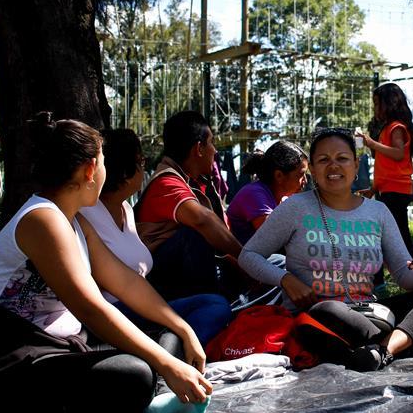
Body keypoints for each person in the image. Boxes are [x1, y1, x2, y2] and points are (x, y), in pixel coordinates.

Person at [0, 114, 214, 413]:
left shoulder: (74, 220)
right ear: (88, 170)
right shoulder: (43, 219)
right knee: (138, 373)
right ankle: (138, 399)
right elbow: (90, 307)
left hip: (62, 344)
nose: (104, 171)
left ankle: (139, 395)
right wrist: (166, 364)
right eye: (102, 162)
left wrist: (183, 328)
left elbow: (125, 282)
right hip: (13, 354)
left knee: (166, 339)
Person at [239, 128, 413, 372]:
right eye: (324, 160)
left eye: (342, 158)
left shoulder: (378, 212)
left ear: (356, 165)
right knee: (328, 309)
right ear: (312, 169)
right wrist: (285, 279)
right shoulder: (295, 208)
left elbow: (407, 280)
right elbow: (248, 256)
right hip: (321, 317)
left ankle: (385, 349)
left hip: (370, 312)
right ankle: (411, 341)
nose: (333, 166)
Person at [79, 128, 231, 345]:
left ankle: (172, 344)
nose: (145, 168)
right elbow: (202, 220)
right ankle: (172, 349)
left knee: (215, 305)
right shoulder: (85, 215)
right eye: (141, 161)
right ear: (123, 170)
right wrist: (246, 258)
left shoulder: (125, 209)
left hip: (140, 303)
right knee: (211, 301)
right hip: (115, 311)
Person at [135, 111, 244, 301]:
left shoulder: (192, 182)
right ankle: (210, 304)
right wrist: (249, 260)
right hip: (157, 284)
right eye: (211, 142)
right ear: (198, 148)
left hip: (176, 275)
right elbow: (202, 220)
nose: (215, 150)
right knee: (195, 234)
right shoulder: (166, 182)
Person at [356, 83, 413, 255]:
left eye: (378, 104)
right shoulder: (387, 128)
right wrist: (373, 189)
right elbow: (386, 167)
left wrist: (371, 143)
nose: (375, 108)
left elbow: (398, 154)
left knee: (399, 231)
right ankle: (408, 262)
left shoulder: (396, 128)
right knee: (395, 230)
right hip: (388, 189)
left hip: (397, 191)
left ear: (390, 104)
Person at [226, 141, 308, 245]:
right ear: (279, 176)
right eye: (301, 175)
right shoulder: (254, 194)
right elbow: (274, 237)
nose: (305, 180)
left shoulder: (280, 199)